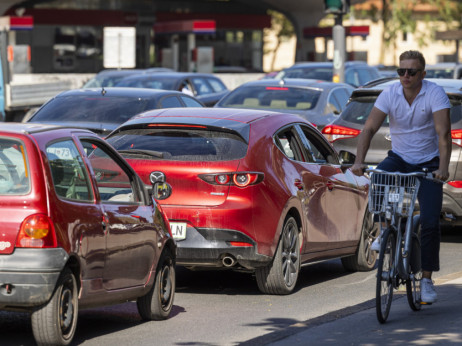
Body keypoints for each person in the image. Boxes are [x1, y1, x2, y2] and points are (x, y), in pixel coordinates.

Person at [351, 50, 451, 304]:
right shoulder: (390, 94)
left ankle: (426, 279)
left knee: (429, 222)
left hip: (428, 163)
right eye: (401, 71)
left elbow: (443, 135)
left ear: (423, 74)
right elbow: (369, 128)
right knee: (380, 176)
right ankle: (385, 233)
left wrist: (443, 167)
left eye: (412, 71)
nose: (405, 76)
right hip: (399, 158)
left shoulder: (435, 93)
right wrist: (359, 161)